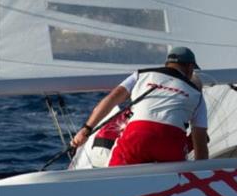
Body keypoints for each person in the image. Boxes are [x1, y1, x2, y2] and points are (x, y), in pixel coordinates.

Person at [71, 46, 209, 166]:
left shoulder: (141, 74)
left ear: (167, 64)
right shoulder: (197, 95)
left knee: (113, 179)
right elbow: (201, 144)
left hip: (138, 134)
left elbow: (111, 99)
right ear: (190, 68)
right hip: (171, 142)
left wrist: (87, 129)